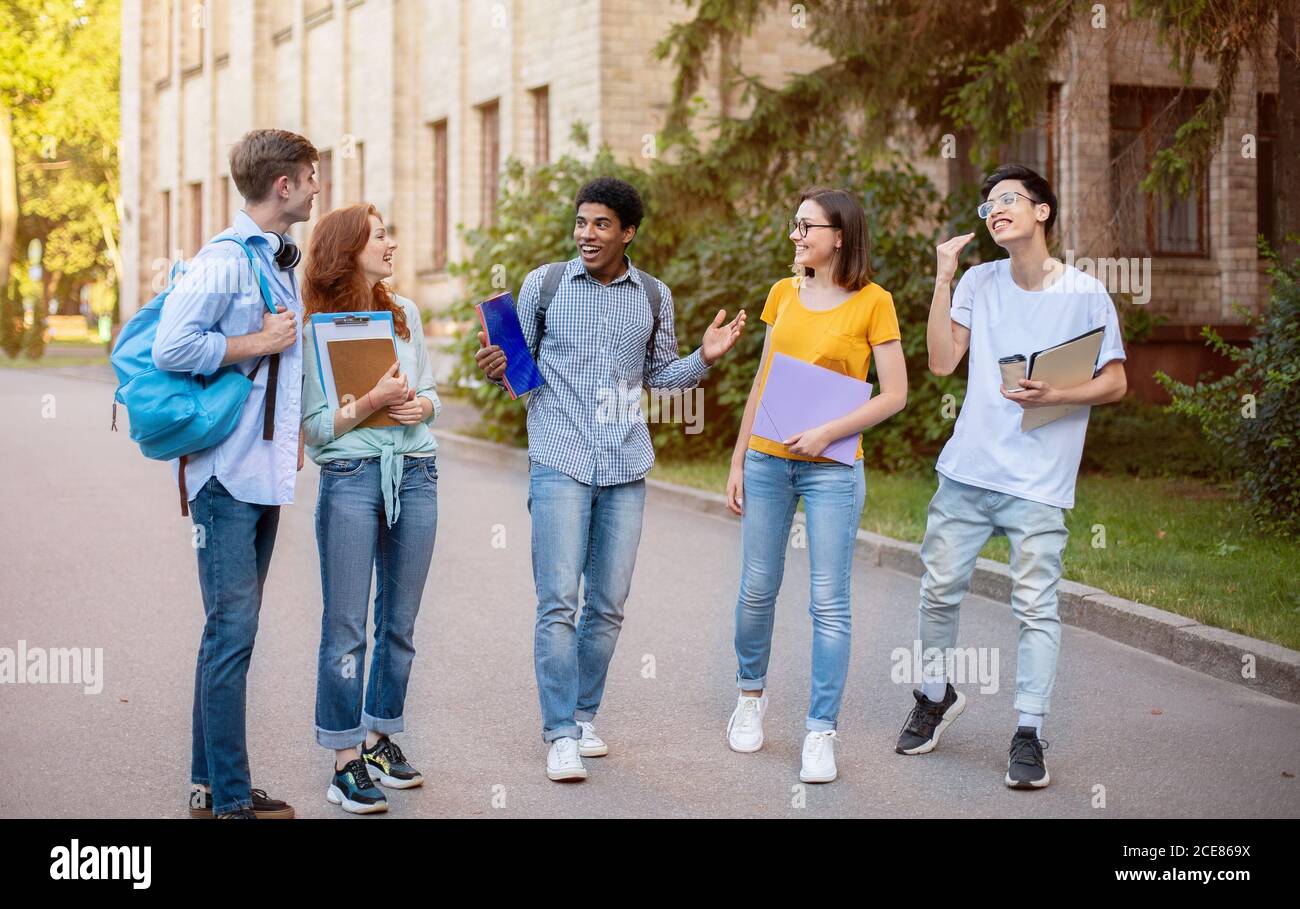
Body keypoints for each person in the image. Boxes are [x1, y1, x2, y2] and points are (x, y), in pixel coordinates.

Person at [474, 177, 746, 782]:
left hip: (625, 466)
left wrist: (704, 357)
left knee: (609, 604)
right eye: (581, 223)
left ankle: (584, 714)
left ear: (628, 232)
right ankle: (560, 734)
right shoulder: (542, 285)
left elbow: (662, 378)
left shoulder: (653, 295)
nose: (587, 235)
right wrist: (495, 369)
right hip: (560, 457)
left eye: (601, 225)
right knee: (558, 602)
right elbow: (516, 369)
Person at [895, 163, 1127, 789]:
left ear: (1042, 211)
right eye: (987, 204)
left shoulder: (1085, 292)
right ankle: (935, 695)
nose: (995, 209)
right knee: (938, 592)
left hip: (1038, 483)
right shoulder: (978, 280)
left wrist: (1057, 392)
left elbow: (1115, 381)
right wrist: (943, 279)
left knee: (1035, 608)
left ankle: (1028, 731)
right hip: (968, 472)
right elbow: (943, 362)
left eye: (1008, 199)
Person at [153, 128, 319, 819]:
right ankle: (228, 800)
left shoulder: (271, 258)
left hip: (260, 471)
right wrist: (259, 341)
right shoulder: (225, 259)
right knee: (232, 635)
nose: (317, 188)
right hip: (226, 478)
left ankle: (207, 785)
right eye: (312, 177)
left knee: (224, 631)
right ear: (284, 185)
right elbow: (171, 346)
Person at [723, 187, 908, 784]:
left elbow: (895, 395)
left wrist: (826, 431)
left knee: (829, 603)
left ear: (840, 235)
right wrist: (737, 458)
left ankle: (820, 731)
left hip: (833, 467)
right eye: (795, 224)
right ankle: (750, 697)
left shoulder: (874, 302)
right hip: (768, 461)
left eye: (807, 226)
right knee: (757, 588)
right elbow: (763, 378)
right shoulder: (784, 292)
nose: (797, 235)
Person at [301, 204, 441, 814]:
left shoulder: (405, 313)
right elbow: (313, 430)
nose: (391, 243)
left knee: (400, 622)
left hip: (416, 473)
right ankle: (344, 760)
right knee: (347, 627)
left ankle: (383, 737)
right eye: (380, 234)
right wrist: (372, 401)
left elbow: (432, 391)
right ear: (347, 247)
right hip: (352, 478)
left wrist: (420, 408)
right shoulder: (316, 328)